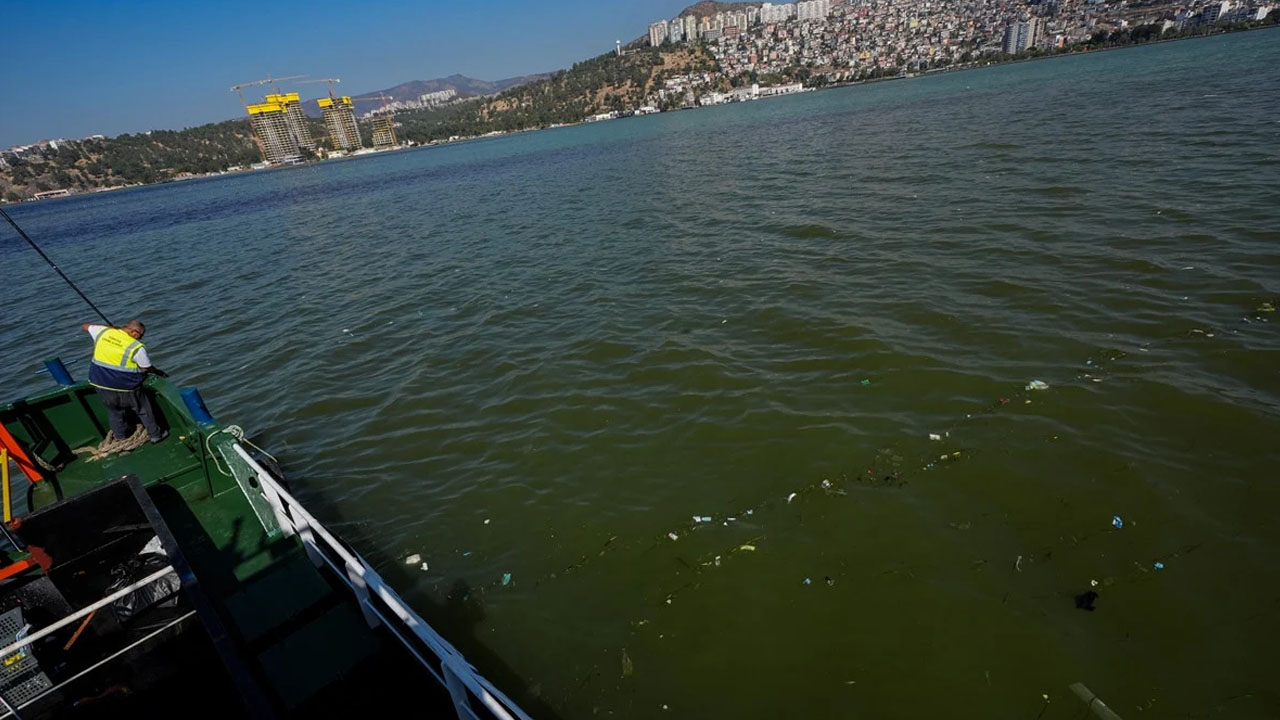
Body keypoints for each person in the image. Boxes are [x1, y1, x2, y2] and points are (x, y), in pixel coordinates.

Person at [81, 320, 170, 444]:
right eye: (141, 335)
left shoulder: (103, 331)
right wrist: (159, 372)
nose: (141, 338)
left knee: (114, 412)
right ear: (134, 332)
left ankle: (120, 438)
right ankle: (155, 435)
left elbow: (84, 326)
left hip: (101, 384)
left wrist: (110, 328)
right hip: (126, 386)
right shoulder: (136, 347)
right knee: (143, 410)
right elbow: (146, 367)